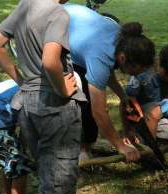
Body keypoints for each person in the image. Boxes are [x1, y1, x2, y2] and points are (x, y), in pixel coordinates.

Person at [0, 0, 88, 194]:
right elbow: (50, 60)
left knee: (49, 172)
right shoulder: (58, 12)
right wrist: (62, 90)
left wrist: (22, 82)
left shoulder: (25, 5)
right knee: (55, 185)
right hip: (53, 106)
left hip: (27, 104)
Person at [63, 3, 156, 162]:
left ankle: (84, 151)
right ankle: (66, 151)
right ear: (123, 59)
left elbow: (107, 70)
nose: (134, 76)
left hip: (74, 25)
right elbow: (98, 112)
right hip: (49, 30)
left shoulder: (123, 41)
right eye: (134, 72)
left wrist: (123, 96)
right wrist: (121, 147)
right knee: (77, 93)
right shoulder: (101, 55)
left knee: (87, 91)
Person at [120, 43, 168, 147]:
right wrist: (127, 133)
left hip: (162, 119)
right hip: (140, 119)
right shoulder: (143, 74)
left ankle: (156, 142)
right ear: (159, 62)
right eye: (167, 75)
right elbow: (123, 102)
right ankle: (150, 148)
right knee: (155, 109)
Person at [0, 80, 33, 194]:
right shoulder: (35, 90)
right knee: (20, 166)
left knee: (9, 164)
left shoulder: (28, 81)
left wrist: (21, 149)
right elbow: (27, 126)